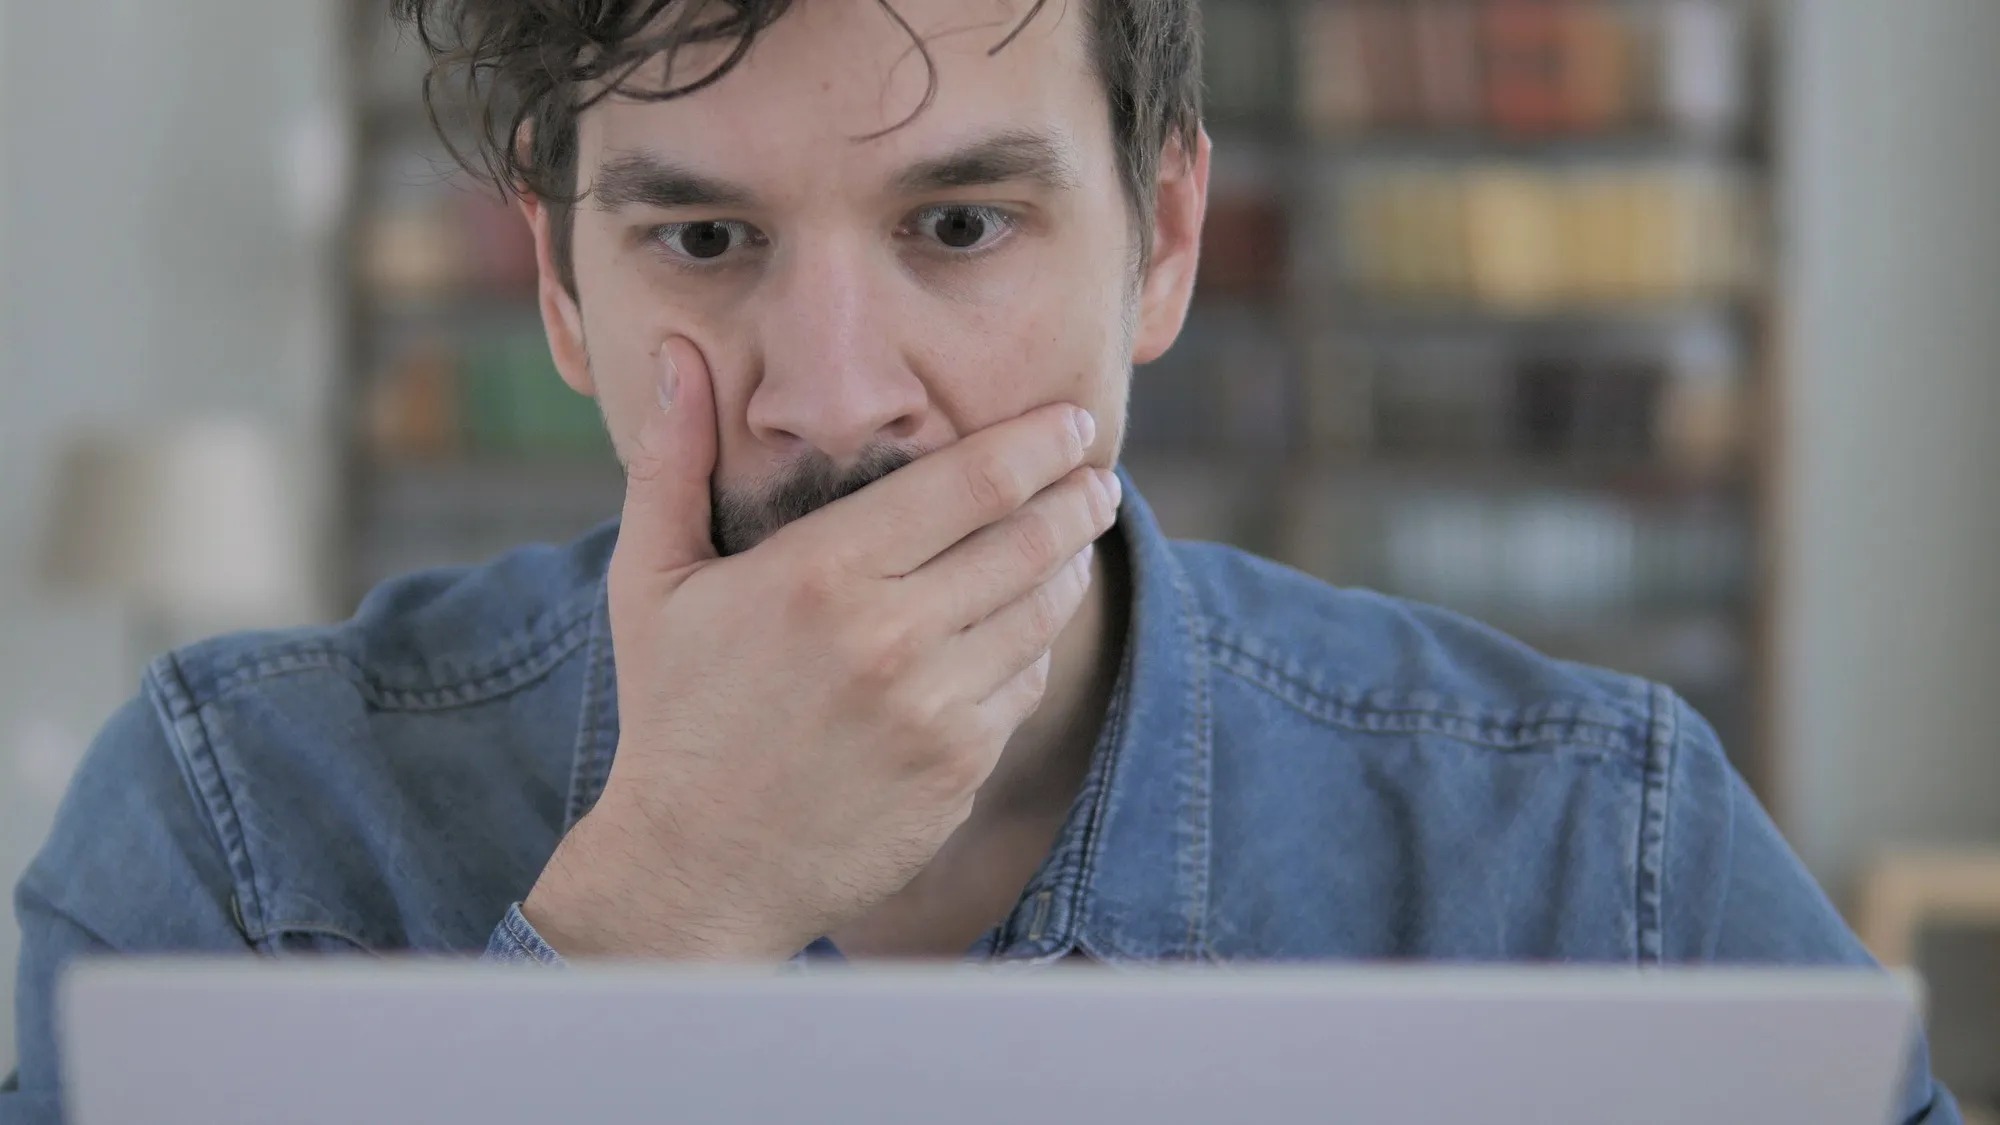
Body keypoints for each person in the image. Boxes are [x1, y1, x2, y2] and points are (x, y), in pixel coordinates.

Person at [0, 0, 1961, 1121]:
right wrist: (667, 909)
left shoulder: (1586, 851)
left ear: (1165, 241)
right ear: (561, 290)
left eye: (957, 228)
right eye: (702, 239)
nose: (834, 400)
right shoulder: (236, 823)